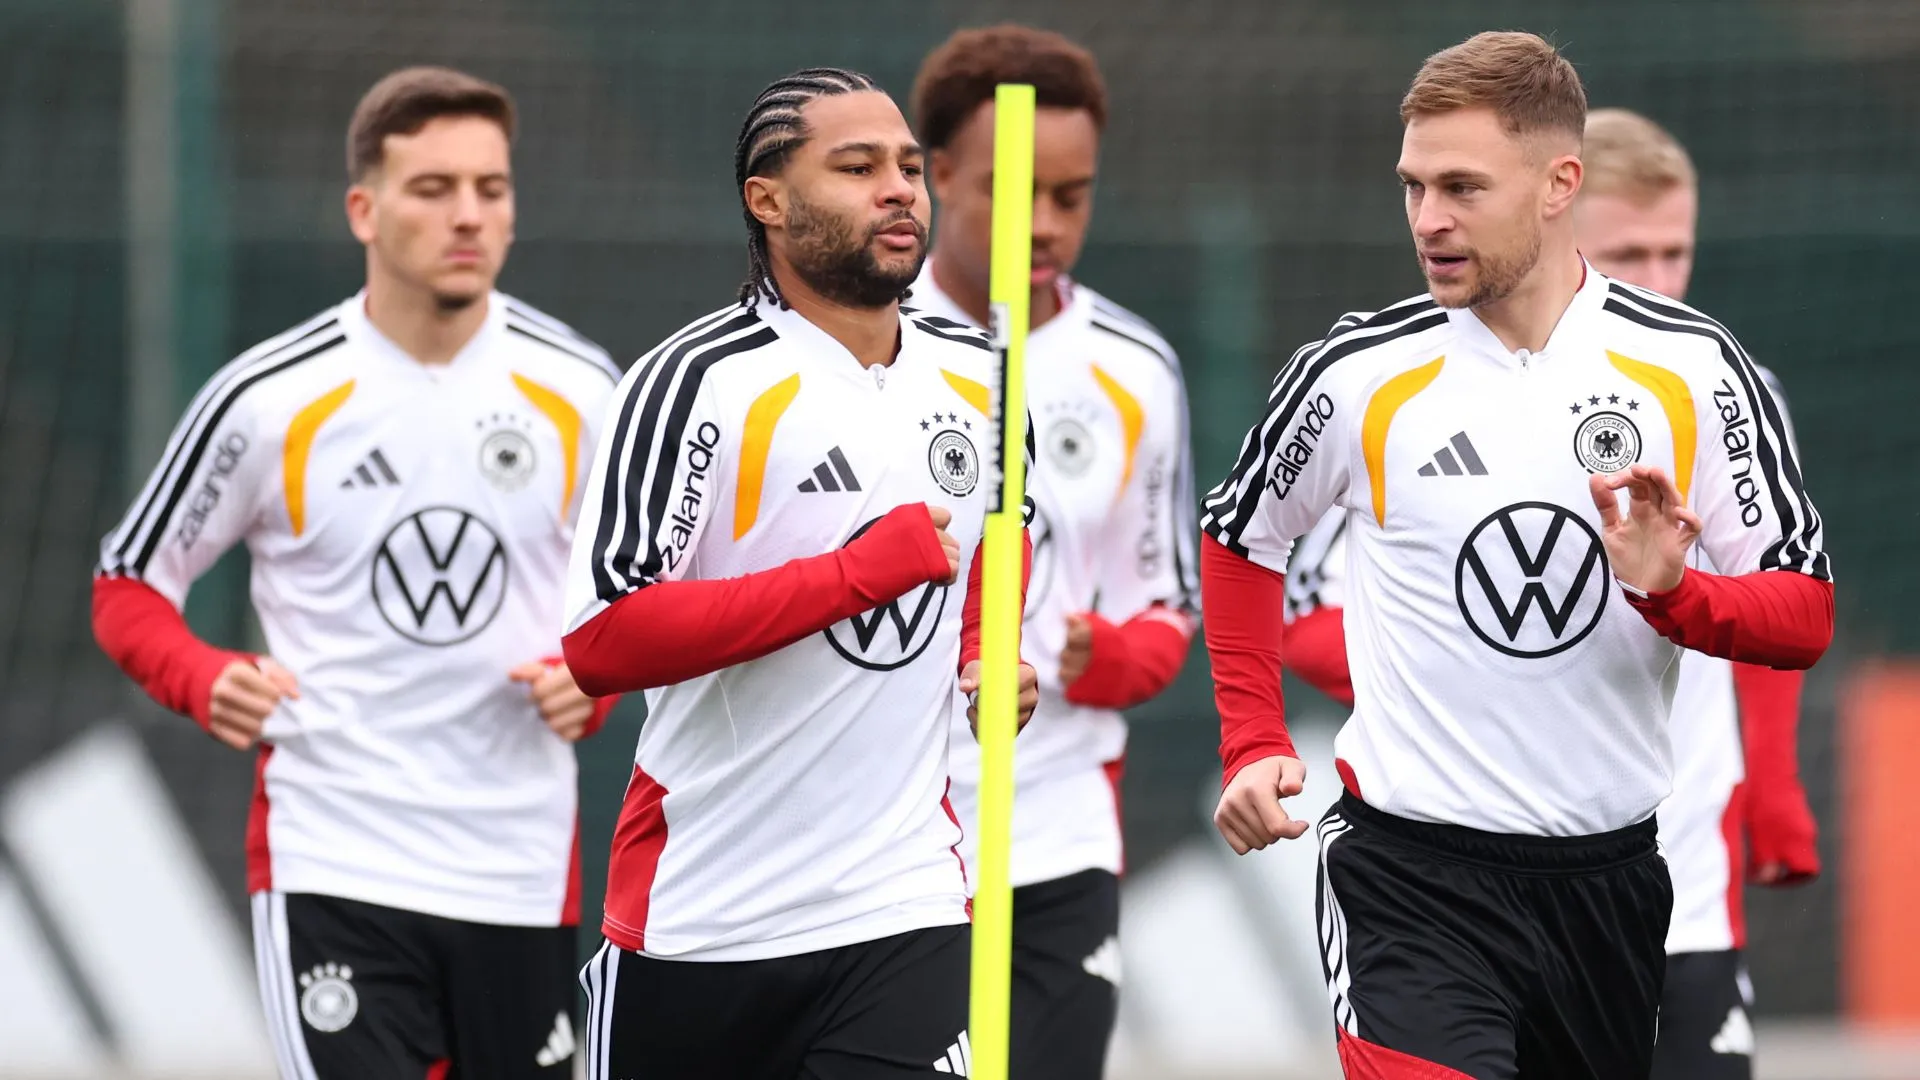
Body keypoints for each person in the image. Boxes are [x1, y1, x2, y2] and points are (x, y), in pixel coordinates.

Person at [1199, 31, 1834, 1080]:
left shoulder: (1694, 369)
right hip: (1409, 875)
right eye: (1413, 187)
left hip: (1612, 883)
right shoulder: (1357, 373)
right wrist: (1253, 738)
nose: (1428, 219)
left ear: (1558, 185)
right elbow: (1240, 539)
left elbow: (1803, 612)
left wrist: (1675, 594)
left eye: (1462, 188)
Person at [92, 67, 620, 1079]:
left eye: (491, 188)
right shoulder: (270, 398)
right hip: (335, 857)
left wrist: (596, 681)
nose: (468, 215)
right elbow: (128, 585)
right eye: (433, 188)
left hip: (517, 865)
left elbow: (642, 599)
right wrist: (201, 676)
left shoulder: (585, 391)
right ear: (363, 211)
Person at [560, 67, 1038, 1080]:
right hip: (703, 921)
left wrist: (990, 655)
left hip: (903, 903)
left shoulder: (987, 378)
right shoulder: (694, 383)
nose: (899, 189)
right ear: (767, 200)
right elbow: (604, 639)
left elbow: (1001, 539)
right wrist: (853, 575)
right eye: (857, 168)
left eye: (909, 167)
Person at [906, 25, 1200, 1079]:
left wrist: (1102, 656)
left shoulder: (1132, 369)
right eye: (1011, 189)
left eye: (1070, 197)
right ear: (939, 173)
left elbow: (1166, 605)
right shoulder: (864, 348)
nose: (1042, 224)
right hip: (887, 842)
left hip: (1058, 829)